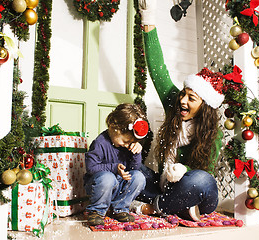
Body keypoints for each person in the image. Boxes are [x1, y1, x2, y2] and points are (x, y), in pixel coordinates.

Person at [131, 0, 224, 221]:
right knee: (135, 173)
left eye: (191, 98)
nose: (182, 100)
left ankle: (152, 209)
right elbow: (158, 70)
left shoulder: (213, 133)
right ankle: (178, 207)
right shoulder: (175, 104)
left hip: (195, 190)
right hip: (165, 188)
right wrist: (148, 19)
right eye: (183, 93)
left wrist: (183, 169)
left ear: (205, 107)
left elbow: (205, 170)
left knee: (201, 180)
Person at [84, 103, 149, 226]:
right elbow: (91, 167)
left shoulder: (128, 145)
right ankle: (96, 211)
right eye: (125, 141)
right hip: (99, 186)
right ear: (114, 127)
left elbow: (134, 169)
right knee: (108, 178)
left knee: (139, 176)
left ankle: (120, 209)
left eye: (131, 142)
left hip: (118, 186)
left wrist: (136, 153)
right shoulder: (100, 143)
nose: (127, 145)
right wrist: (114, 168)